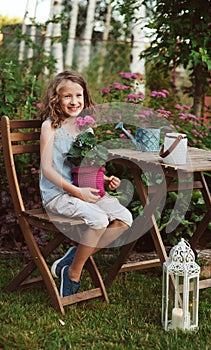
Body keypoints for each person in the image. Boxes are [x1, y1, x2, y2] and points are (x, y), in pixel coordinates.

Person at [39, 70, 133, 298]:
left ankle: (74, 258)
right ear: (56, 99)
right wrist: (76, 191)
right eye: (67, 96)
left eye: (79, 95)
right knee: (99, 219)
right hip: (58, 195)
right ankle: (74, 271)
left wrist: (105, 178)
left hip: (84, 191)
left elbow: (88, 166)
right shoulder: (50, 127)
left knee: (125, 219)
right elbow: (47, 170)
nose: (74, 101)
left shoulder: (85, 128)